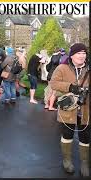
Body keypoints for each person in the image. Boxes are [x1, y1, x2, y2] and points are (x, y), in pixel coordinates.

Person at [50, 43, 89, 176]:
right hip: (67, 110)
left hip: (86, 111)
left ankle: (84, 163)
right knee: (67, 136)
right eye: (79, 53)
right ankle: (67, 161)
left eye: (84, 53)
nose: (82, 56)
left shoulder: (89, 69)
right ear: (72, 55)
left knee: (85, 137)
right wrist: (70, 87)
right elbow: (53, 83)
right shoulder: (62, 68)